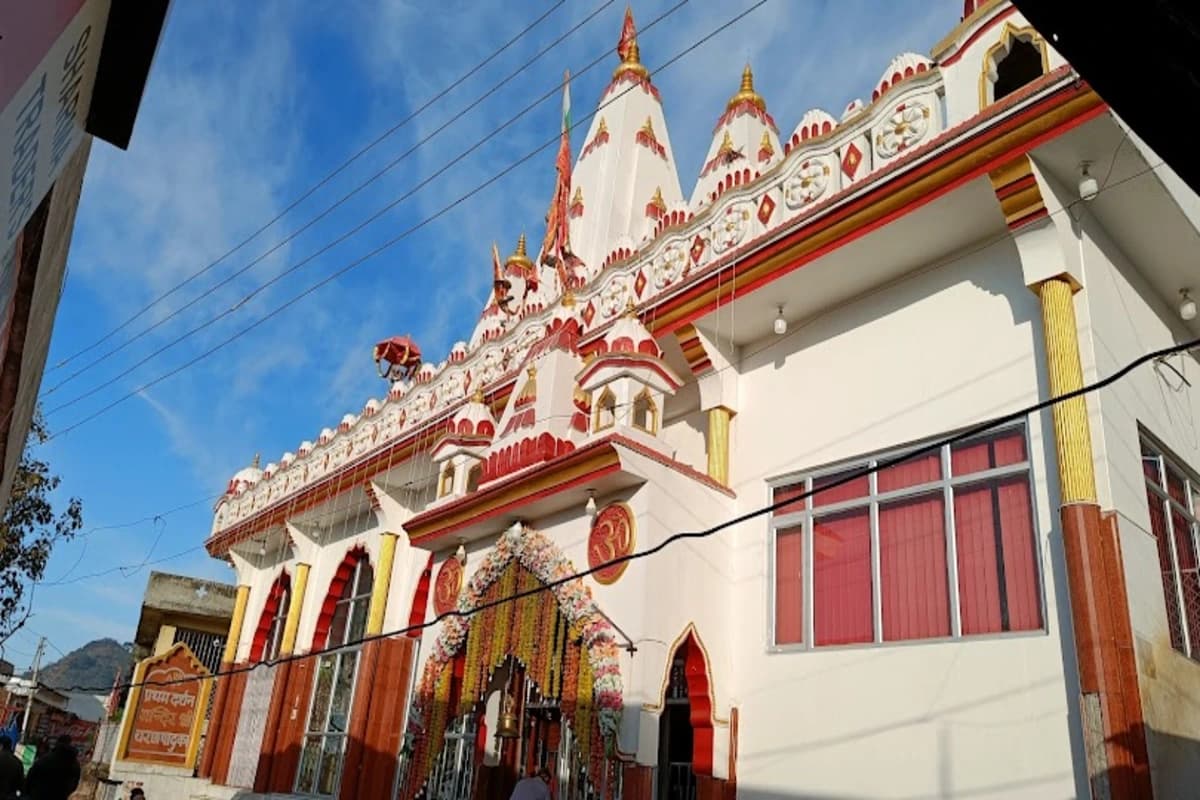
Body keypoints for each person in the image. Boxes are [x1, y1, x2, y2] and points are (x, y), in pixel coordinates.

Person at [21, 734, 80, 800]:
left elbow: (30, 777)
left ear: (57, 743)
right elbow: (74, 785)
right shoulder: (74, 764)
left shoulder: (46, 759)